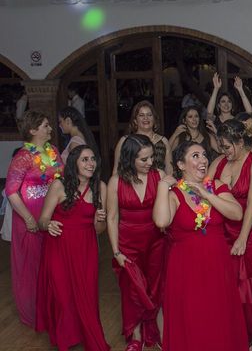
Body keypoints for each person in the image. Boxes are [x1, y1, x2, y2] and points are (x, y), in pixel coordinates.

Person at [153, 141, 248, 350]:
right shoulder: (174, 194)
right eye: (195, 156)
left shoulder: (217, 186)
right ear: (181, 164)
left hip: (217, 265)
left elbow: (237, 213)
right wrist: (162, 186)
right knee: (192, 318)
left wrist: (207, 195)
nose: (203, 160)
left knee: (218, 316)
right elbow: (161, 221)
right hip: (186, 270)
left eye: (204, 155)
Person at [36, 145, 109, 351]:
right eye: (85, 159)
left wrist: (99, 220)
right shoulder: (59, 186)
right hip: (58, 247)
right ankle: (65, 340)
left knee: (86, 295)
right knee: (63, 295)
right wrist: (48, 225)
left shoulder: (100, 187)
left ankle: (85, 334)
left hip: (86, 248)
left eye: (93, 159)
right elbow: (42, 220)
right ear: (74, 163)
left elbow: (100, 230)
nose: (90, 163)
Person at [209, 119, 252, 348]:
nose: (224, 151)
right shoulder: (219, 163)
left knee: (249, 286)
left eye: (227, 146)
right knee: (228, 285)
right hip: (223, 231)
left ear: (241, 141)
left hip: (251, 230)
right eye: (222, 146)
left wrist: (243, 238)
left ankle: (250, 336)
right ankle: (232, 332)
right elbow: (204, 194)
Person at [107, 134, 166, 351]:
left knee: (156, 288)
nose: (150, 163)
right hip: (128, 244)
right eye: (144, 159)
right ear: (129, 158)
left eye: (151, 157)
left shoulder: (159, 175)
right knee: (132, 290)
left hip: (157, 241)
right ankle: (136, 336)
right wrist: (115, 251)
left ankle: (158, 332)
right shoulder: (115, 182)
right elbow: (112, 218)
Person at [5, 110, 63, 327]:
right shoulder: (23, 157)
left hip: (52, 215)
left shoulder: (54, 151)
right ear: (32, 130)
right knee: (33, 266)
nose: (50, 129)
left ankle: (53, 309)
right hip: (29, 218)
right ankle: (34, 313)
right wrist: (29, 219)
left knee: (53, 264)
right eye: (46, 125)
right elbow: (11, 191)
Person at [112, 100, 172, 176]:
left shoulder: (163, 141)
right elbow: (116, 170)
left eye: (149, 115)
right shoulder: (125, 141)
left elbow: (169, 170)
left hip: (159, 185)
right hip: (132, 185)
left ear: (154, 119)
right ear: (135, 121)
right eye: (141, 115)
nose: (145, 118)